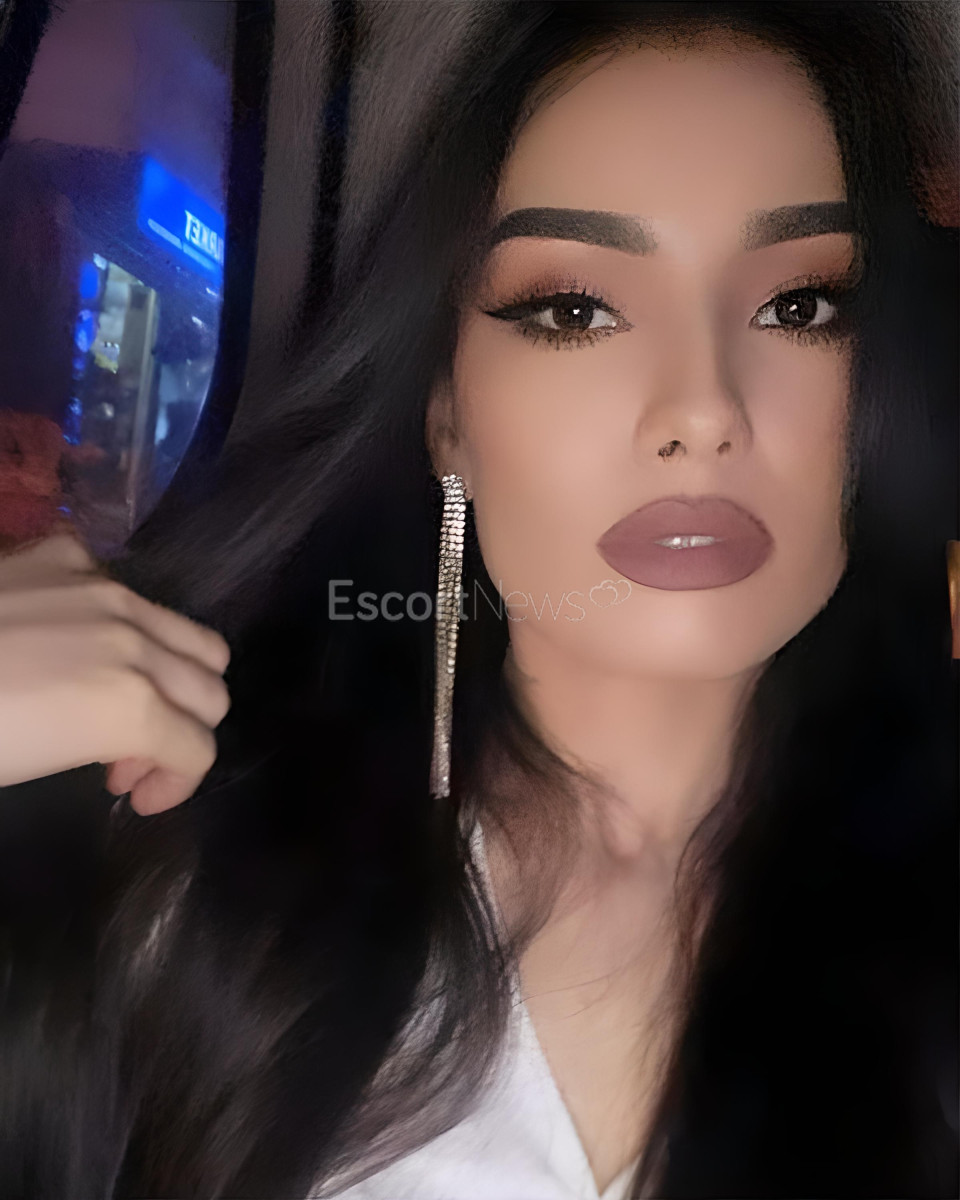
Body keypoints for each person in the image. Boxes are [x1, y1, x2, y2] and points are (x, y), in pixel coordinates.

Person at [0, 3, 956, 1197]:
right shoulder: (188, 875)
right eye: (574, 309)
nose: (704, 408)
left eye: (799, 305)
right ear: (446, 416)